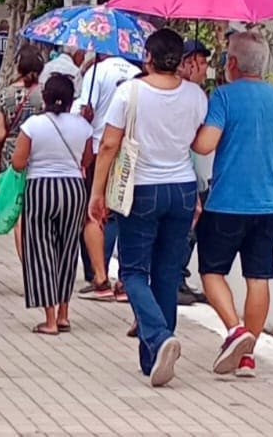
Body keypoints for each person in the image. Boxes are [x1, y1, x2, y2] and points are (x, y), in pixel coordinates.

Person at [89, 28, 207, 388]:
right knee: (168, 273)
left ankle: (157, 338)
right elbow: (198, 144)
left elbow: (109, 145)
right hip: (182, 187)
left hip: (140, 189)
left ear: (149, 57)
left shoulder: (130, 92)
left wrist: (97, 193)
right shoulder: (196, 95)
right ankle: (153, 359)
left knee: (134, 272)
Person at [191, 30, 273, 379]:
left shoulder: (223, 97)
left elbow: (205, 146)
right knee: (258, 276)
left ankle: (235, 330)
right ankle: (248, 356)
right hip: (268, 206)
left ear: (234, 63)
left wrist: (194, 126)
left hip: (226, 204)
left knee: (211, 271)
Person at [10, 73, 92, 335]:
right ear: (71, 99)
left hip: (41, 188)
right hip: (73, 189)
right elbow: (87, 160)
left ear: (44, 98)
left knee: (41, 251)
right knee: (67, 249)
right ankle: (65, 313)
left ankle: (50, 318)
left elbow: (18, 163)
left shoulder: (33, 125)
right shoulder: (83, 126)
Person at [74, 52, 140, 301]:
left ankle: (99, 278)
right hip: (129, 156)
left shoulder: (96, 72)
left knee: (95, 214)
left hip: (98, 149)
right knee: (125, 214)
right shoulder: (137, 76)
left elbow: (83, 110)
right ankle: (125, 279)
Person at [0, 47, 45, 259]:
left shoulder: (5, 94)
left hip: (12, 154)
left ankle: (25, 261)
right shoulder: (44, 94)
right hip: (39, 153)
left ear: (18, 66)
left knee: (19, 211)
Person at [177, 39, 213, 306]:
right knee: (186, 231)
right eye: (199, 63)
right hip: (186, 172)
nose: (204, 69)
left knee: (196, 233)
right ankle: (175, 279)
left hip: (201, 174)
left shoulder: (200, 96)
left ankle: (181, 277)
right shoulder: (186, 97)